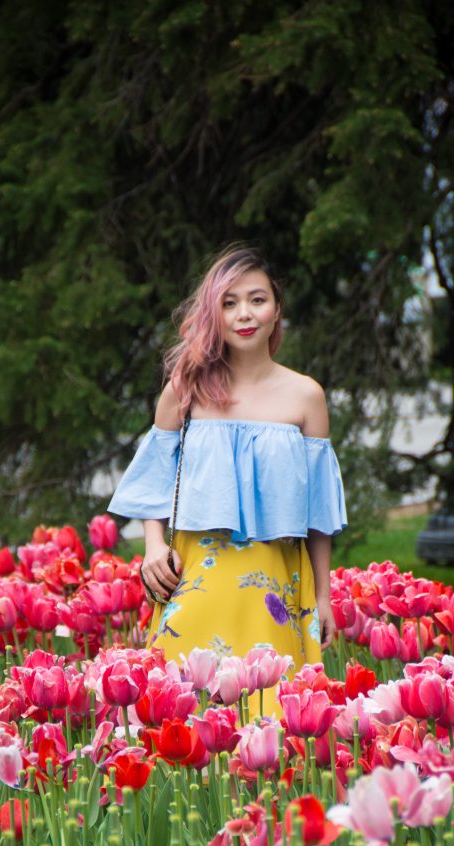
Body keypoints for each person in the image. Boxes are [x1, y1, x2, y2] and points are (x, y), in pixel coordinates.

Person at [108, 245, 347, 714]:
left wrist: (323, 595)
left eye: (257, 300)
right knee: (184, 717)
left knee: (273, 718)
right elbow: (154, 483)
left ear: (277, 307)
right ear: (212, 312)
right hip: (196, 578)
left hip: (274, 586)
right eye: (229, 302)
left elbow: (319, 513)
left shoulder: (305, 396)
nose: (245, 314)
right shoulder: (186, 389)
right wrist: (154, 547)